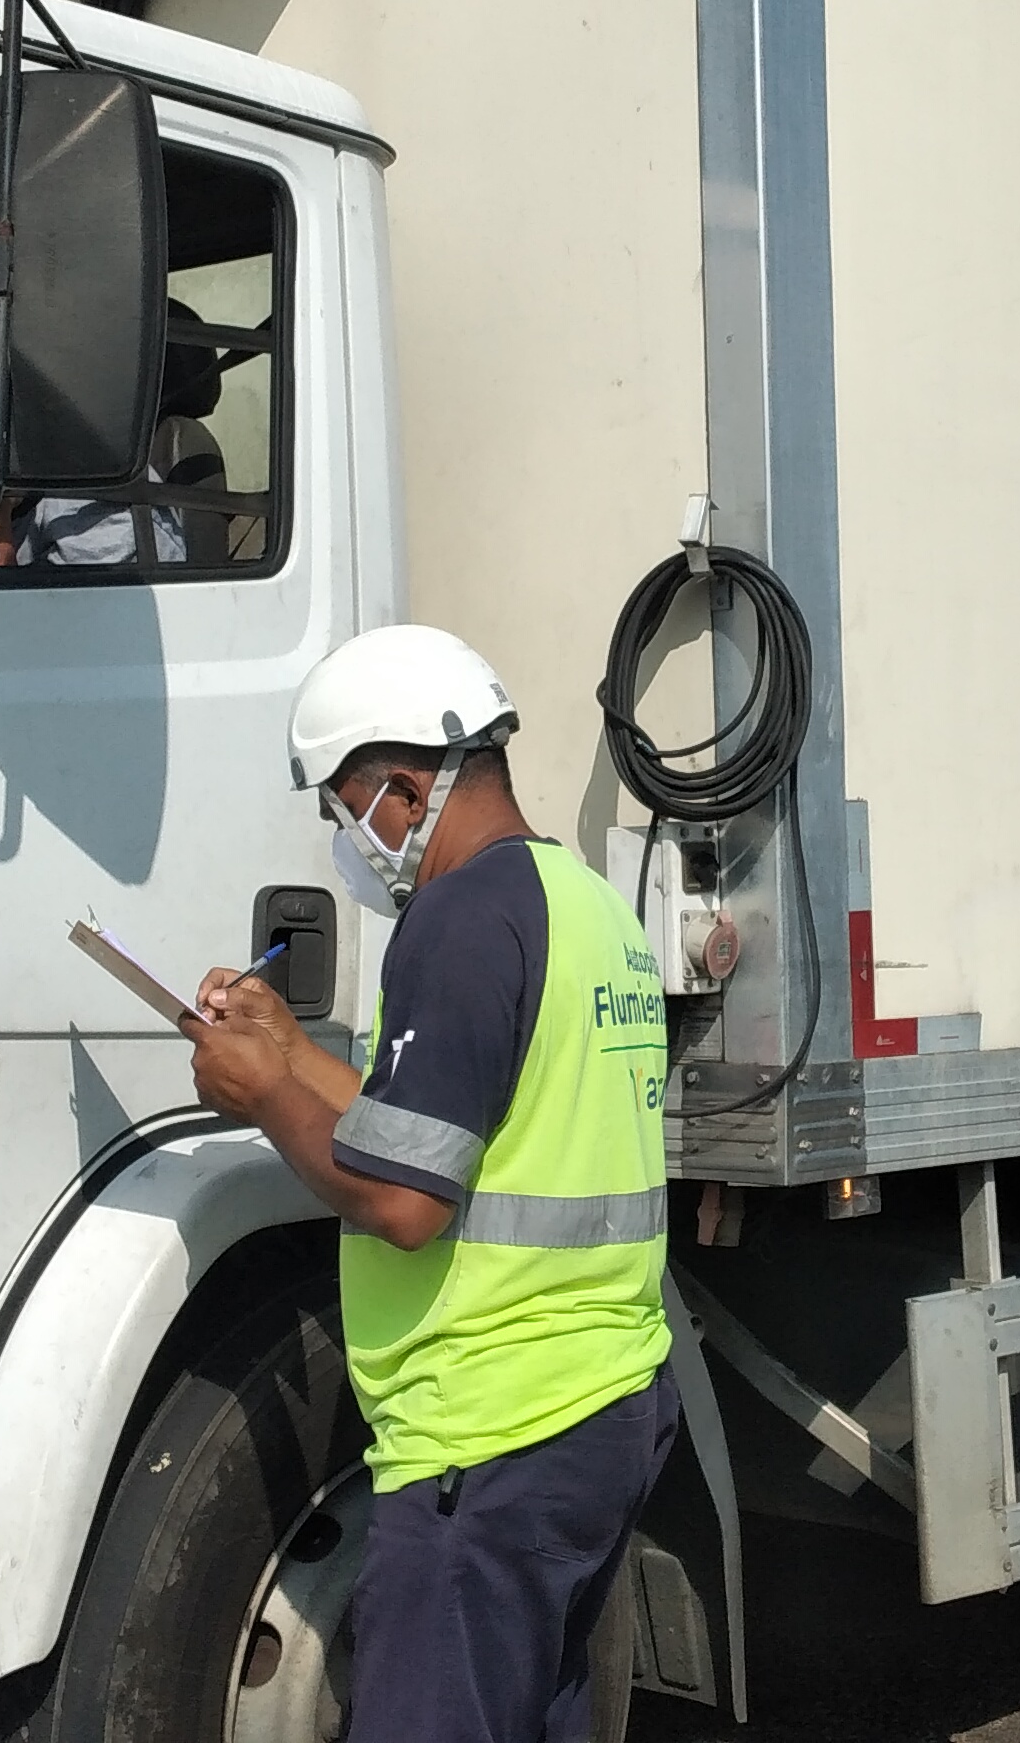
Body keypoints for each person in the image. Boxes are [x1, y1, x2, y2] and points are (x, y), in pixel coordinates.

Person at [179, 625, 676, 1743]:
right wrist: (289, 1052)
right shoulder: (580, 905)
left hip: (488, 1436)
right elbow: (448, 1124)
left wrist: (261, 1099)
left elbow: (404, 1200)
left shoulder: (452, 922)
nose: (343, 840)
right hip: (601, 1404)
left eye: (340, 809)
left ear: (402, 793)